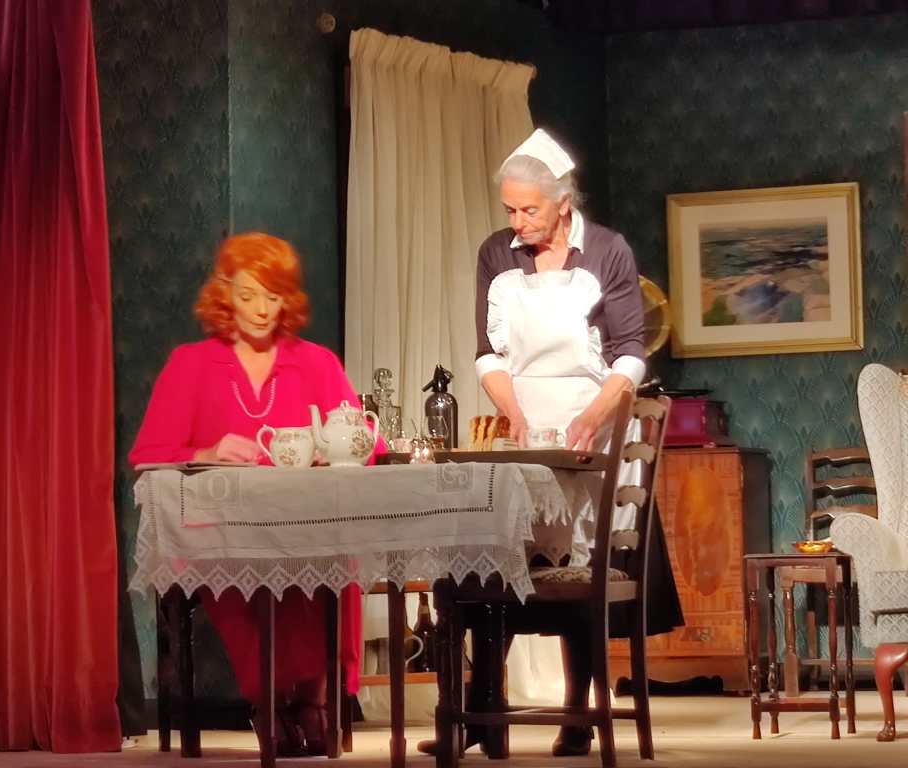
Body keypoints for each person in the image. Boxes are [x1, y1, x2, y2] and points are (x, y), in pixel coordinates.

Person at [419, 129, 683, 757]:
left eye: (529, 209)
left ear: (563, 203)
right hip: (523, 427)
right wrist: (510, 410)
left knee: (576, 560)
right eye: (510, 209)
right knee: (490, 553)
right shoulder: (496, 254)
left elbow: (630, 353)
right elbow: (488, 353)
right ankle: (482, 710)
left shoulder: (607, 251)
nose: (517, 222)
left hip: (591, 423)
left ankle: (577, 712)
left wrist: (593, 416)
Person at [129, 232, 378, 757]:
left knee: (330, 564)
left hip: (306, 528)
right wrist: (207, 450)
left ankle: (312, 700)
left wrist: (331, 452)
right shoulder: (191, 363)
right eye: (248, 295)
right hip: (225, 532)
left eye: (273, 296)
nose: (262, 310)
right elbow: (148, 453)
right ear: (225, 295)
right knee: (243, 572)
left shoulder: (316, 362)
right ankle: (269, 701)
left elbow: (367, 440)